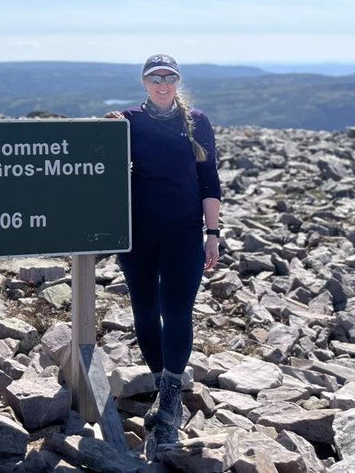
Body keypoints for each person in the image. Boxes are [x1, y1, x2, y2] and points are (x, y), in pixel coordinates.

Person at [105, 53, 222, 458]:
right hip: (137, 233)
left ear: (177, 81)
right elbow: (99, 156)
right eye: (154, 77)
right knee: (144, 307)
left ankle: (170, 396)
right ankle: (160, 382)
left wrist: (213, 233)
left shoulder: (197, 122)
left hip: (183, 232)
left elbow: (209, 179)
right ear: (144, 82)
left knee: (176, 310)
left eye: (168, 76)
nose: (161, 83)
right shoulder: (127, 120)